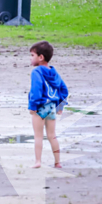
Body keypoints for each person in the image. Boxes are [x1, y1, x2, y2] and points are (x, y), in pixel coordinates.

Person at [28, 40, 68, 169]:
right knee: (52, 136)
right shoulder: (54, 72)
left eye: (32, 55)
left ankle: (38, 162)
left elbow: (36, 90)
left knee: (38, 136)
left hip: (40, 107)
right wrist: (60, 106)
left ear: (41, 57)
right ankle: (57, 162)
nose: (30, 58)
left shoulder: (36, 72)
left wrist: (33, 107)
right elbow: (64, 89)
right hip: (51, 107)